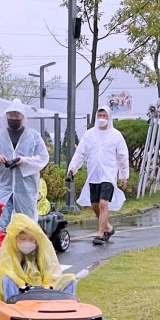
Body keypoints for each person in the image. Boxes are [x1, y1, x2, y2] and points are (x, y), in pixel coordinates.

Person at [67, 105, 129, 245]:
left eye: (104, 116)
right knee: (95, 205)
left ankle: (100, 233)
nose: (102, 119)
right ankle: (107, 227)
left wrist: (123, 176)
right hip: (94, 174)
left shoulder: (115, 135)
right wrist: (72, 169)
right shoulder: (89, 134)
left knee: (103, 203)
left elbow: (122, 156)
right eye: (99, 116)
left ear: (109, 117)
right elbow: (80, 153)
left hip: (109, 174)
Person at [0, 99, 49, 231]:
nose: (13, 118)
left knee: (26, 223)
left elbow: (43, 157)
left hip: (25, 187)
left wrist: (24, 161)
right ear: (6, 116)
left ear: (22, 117)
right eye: (11, 115)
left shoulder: (34, 136)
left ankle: (25, 249)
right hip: (3, 185)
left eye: (17, 115)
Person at [0, 213, 76, 301]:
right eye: (23, 239)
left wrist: (46, 287)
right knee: (7, 279)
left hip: (43, 292)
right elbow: (5, 272)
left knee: (70, 279)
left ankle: (66, 306)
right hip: (20, 295)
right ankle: (12, 304)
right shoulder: (9, 254)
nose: (27, 243)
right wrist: (23, 286)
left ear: (36, 240)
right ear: (15, 239)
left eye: (31, 239)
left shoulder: (41, 254)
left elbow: (51, 274)